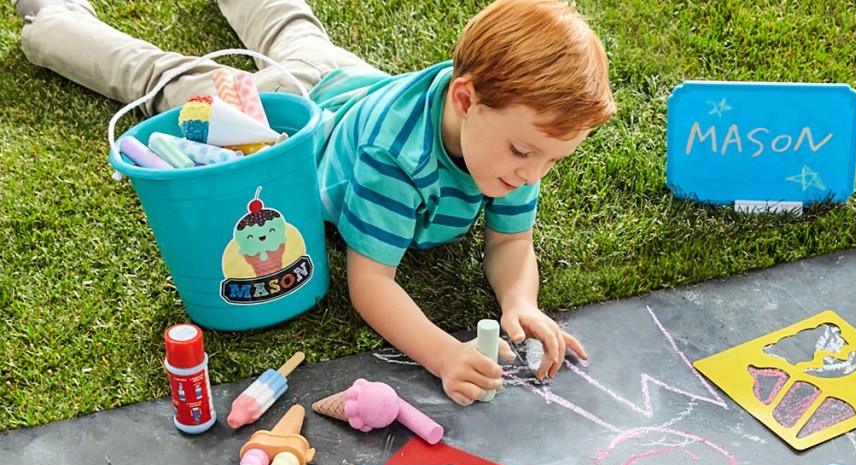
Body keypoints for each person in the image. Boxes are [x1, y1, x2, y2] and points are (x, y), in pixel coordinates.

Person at [14, 0, 617, 405]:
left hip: (350, 82)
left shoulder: (514, 142)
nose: (532, 173)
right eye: (522, 152)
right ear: (465, 99)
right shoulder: (396, 158)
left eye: (549, 160)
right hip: (284, 116)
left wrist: (520, 299)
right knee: (166, 81)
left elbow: (510, 241)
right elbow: (371, 282)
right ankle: (53, 19)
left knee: (295, 35)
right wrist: (443, 354)